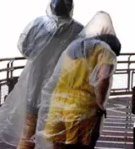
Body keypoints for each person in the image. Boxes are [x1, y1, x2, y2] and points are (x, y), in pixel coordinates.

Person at [0, 0, 83, 149]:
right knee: (57, 138)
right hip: (62, 94)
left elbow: (25, 48)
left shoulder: (38, 24)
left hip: (35, 89)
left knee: (28, 134)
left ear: (52, 6)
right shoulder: (79, 30)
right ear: (70, 8)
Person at [37, 11, 121, 149]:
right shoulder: (105, 52)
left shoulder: (73, 48)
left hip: (57, 104)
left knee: (57, 144)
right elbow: (103, 79)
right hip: (81, 108)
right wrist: (100, 103)